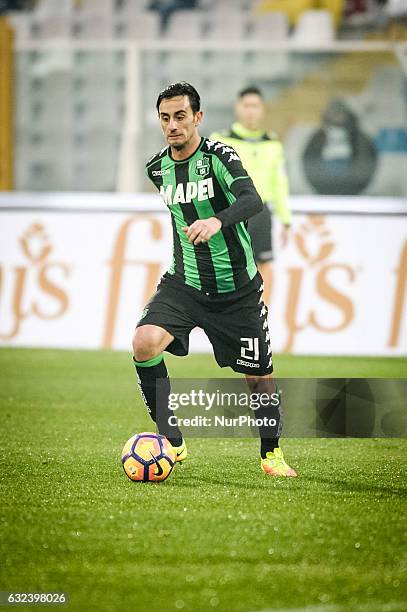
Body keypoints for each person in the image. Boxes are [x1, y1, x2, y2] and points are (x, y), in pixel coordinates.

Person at [132, 81, 297, 477]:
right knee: (144, 342)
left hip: (236, 290)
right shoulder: (157, 168)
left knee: (259, 377)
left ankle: (271, 454)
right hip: (184, 285)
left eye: (181, 117)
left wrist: (216, 220)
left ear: (198, 117)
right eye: (165, 118)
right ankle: (172, 442)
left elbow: (252, 200)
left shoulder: (220, 155)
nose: (173, 125)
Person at [210, 86, 291, 305]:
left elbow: (280, 182)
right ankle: (218, 312)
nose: (251, 111)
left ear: (263, 109)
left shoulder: (272, 143)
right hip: (230, 211)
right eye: (247, 106)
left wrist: (285, 219)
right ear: (238, 108)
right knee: (225, 264)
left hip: (260, 212)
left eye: (255, 106)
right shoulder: (221, 140)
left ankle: (258, 312)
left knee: (262, 266)